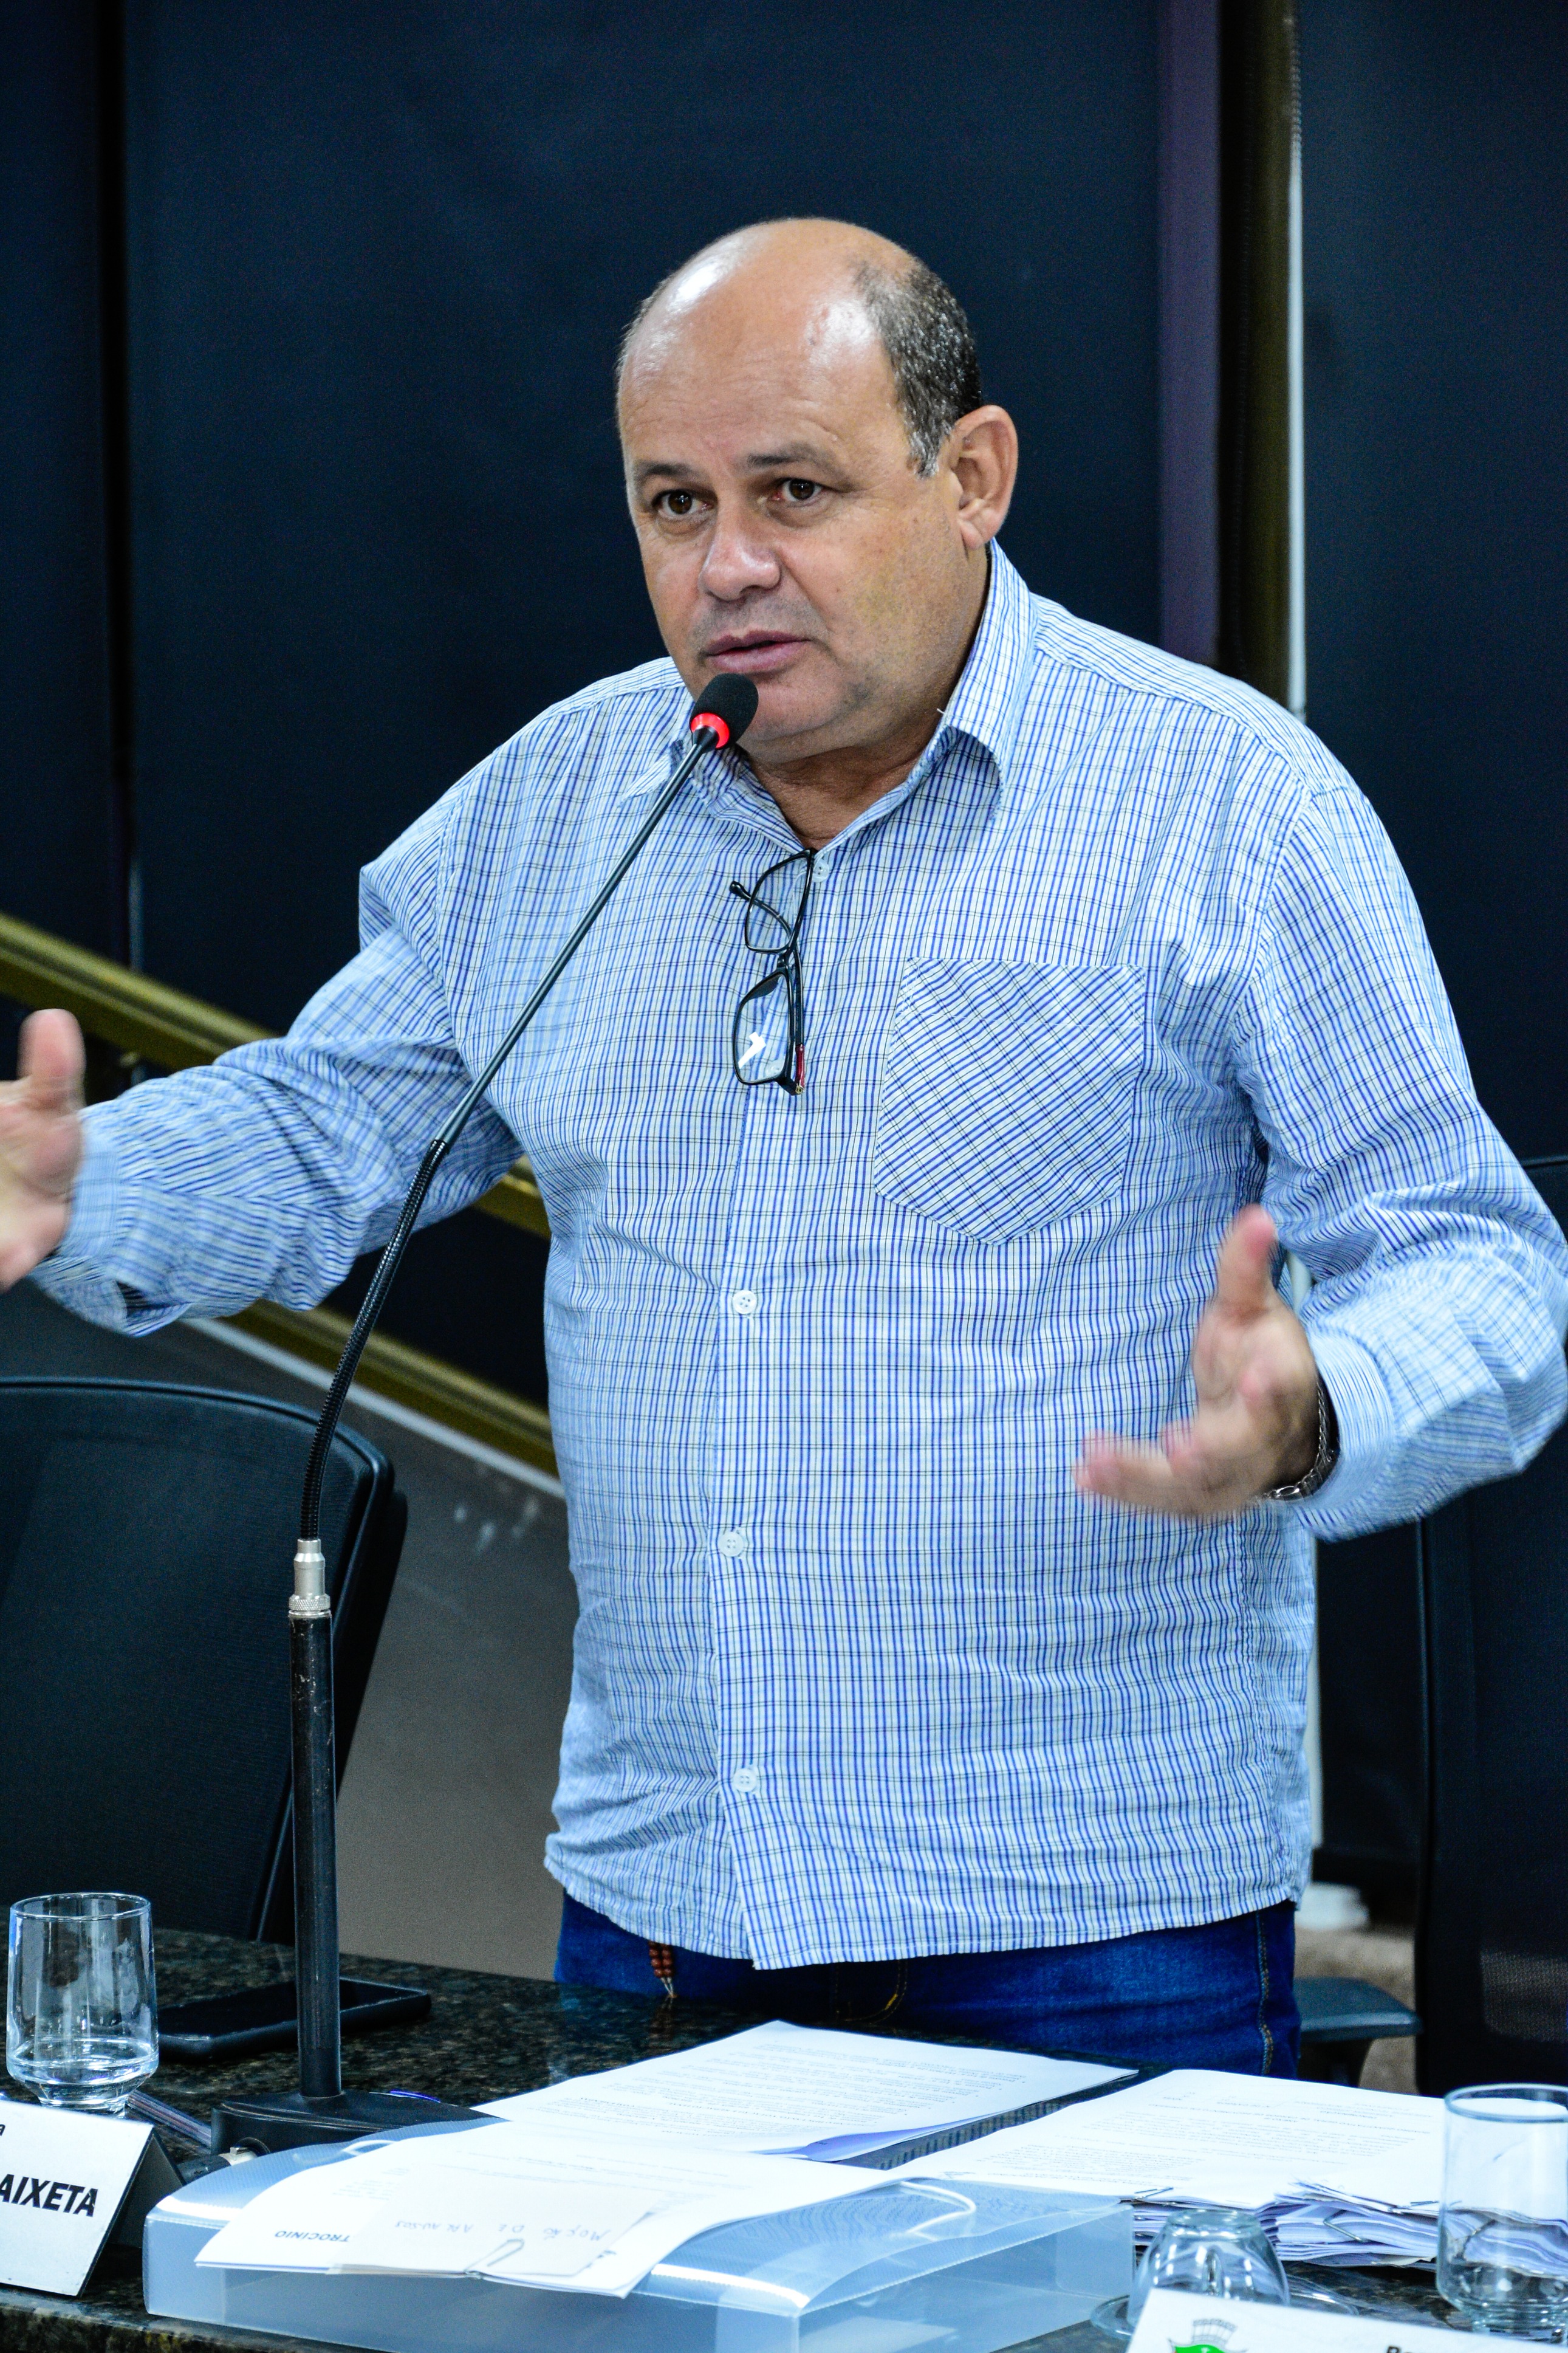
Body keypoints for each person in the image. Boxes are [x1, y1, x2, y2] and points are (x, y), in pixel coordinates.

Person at [2, 219, 1564, 2071]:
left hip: (1088, 1934)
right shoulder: (562, 804)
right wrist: (83, 1189)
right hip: (666, 1914)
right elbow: (329, 1123)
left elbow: (1481, 1264)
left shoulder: (1224, 804)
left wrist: (1314, 1405)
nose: (727, 565)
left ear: (971, 476)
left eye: (793, 493)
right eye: (674, 505)